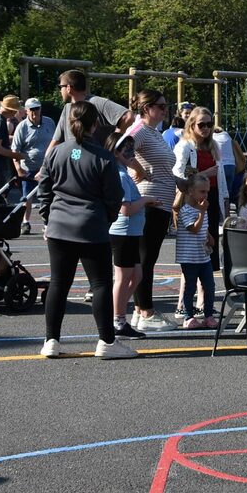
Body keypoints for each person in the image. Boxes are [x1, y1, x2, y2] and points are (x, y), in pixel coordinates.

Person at [35, 102, 134, 359]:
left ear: (69, 122)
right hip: (91, 225)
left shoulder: (56, 153)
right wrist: (106, 219)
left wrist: (49, 217)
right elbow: (115, 195)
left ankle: (51, 340)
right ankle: (107, 342)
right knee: (100, 284)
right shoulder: (103, 156)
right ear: (95, 124)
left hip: (59, 226)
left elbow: (43, 191)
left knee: (59, 283)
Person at [124, 89, 179, 333]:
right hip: (149, 204)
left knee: (148, 258)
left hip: (161, 204)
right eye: (161, 106)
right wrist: (137, 168)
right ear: (147, 108)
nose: (166, 111)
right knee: (144, 259)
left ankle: (140, 310)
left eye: (166, 106)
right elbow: (120, 148)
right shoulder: (139, 130)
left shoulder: (153, 133)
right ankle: (145, 311)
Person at [105, 131, 158, 339]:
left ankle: (117, 313)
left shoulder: (124, 173)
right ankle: (117, 320)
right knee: (123, 277)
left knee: (136, 275)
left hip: (131, 233)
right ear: (115, 152)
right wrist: (146, 199)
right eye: (125, 149)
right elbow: (125, 209)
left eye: (131, 148)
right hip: (123, 233)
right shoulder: (119, 176)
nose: (131, 153)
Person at [172, 107, 227, 269]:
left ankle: (206, 289)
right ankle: (189, 290)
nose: (206, 128)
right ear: (191, 125)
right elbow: (178, 177)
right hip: (193, 201)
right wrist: (206, 173)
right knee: (194, 248)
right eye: (201, 125)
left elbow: (221, 177)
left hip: (212, 196)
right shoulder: (185, 147)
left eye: (209, 124)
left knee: (210, 244)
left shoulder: (213, 145)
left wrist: (224, 201)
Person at [173, 173, 219, 330]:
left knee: (210, 286)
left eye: (207, 191)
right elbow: (193, 228)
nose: (205, 195)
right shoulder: (186, 210)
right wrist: (202, 212)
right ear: (191, 191)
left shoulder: (202, 209)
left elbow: (202, 229)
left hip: (202, 256)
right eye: (202, 192)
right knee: (190, 287)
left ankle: (208, 315)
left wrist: (210, 238)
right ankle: (188, 317)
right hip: (189, 257)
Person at [48, 69, 133, 153]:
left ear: (68, 88)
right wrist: (45, 163)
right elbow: (56, 140)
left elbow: (128, 117)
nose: (60, 91)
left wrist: (112, 144)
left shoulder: (95, 102)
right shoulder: (67, 108)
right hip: (74, 161)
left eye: (61, 87)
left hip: (98, 162)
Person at [11, 97, 55, 235]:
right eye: (32, 109)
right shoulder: (22, 127)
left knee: (48, 196)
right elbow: (15, 150)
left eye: (37, 108)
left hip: (47, 168)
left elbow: (56, 142)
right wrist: (18, 168)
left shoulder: (49, 122)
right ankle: (26, 222)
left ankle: (48, 223)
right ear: (26, 111)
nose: (35, 112)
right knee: (27, 198)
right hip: (28, 168)